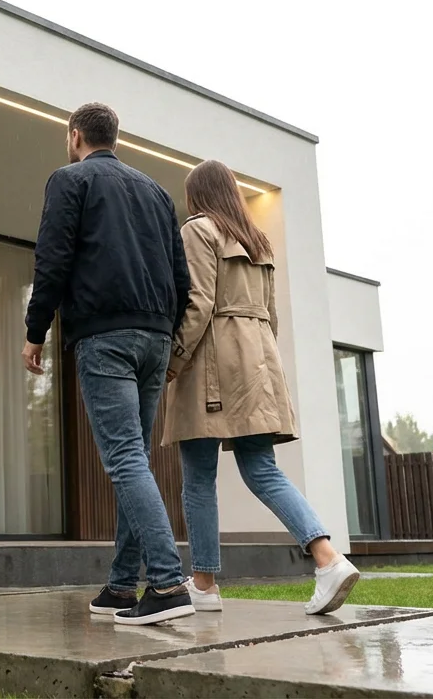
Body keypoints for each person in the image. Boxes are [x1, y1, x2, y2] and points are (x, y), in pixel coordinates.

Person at [23, 102, 195, 626]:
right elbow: (182, 278)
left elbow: (52, 260)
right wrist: (165, 332)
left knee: (124, 459)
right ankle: (122, 586)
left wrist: (35, 331)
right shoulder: (157, 192)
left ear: (75, 136)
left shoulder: (69, 179)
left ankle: (167, 583)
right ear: (114, 137)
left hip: (106, 335)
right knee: (134, 459)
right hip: (155, 337)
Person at [163, 159, 360, 616]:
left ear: (198, 196)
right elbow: (270, 317)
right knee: (262, 469)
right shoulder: (257, 240)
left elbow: (198, 304)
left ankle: (205, 584)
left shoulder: (198, 231)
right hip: (257, 363)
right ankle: (327, 558)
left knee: (198, 477)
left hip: (211, 363)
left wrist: (171, 363)